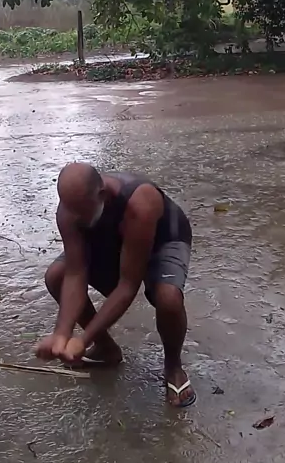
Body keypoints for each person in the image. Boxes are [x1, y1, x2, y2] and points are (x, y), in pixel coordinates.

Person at [36, 162, 195, 408]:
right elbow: (76, 273)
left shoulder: (140, 202)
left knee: (168, 298)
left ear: (101, 195)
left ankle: (173, 366)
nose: (73, 218)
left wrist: (83, 339)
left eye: (81, 212)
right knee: (56, 275)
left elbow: (128, 285)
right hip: (114, 237)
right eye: (70, 210)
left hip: (163, 237)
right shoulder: (69, 210)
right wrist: (62, 334)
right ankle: (106, 348)